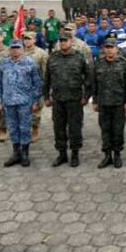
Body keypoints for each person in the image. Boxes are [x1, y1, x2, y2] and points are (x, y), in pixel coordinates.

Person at [43, 32, 92, 167]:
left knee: (75, 127)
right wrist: (46, 96)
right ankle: (62, 154)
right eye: (61, 41)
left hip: (74, 99)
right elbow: (47, 78)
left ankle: (75, 153)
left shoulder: (79, 57)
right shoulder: (53, 57)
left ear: (71, 41)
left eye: (65, 40)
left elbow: (89, 77)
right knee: (58, 127)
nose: (63, 43)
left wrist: (86, 96)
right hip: (58, 99)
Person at [0, 39, 42, 168]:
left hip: (25, 102)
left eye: (17, 47)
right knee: (12, 127)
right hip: (8, 101)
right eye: (13, 48)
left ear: (22, 49)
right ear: (9, 49)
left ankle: (25, 153)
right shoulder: (3, 63)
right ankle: (16, 152)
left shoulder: (30, 62)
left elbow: (37, 83)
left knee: (25, 127)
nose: (15, 50)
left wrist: (35, 101)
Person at [93, 38, 126, 169]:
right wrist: (95, 101)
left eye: (112, 47)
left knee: (117, 130)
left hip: (118, 103)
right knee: (105, 130)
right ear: (104, 49)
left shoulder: (123, 63)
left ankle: (117, 154)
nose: (109, 50)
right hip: (103, 103)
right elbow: (94, 83)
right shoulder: (98, 63)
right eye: (107, 47)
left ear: (116, 49)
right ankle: (107, 155)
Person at [22, 31, 48, 142]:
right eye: (25, 39)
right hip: (22, 87)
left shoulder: (41, 53)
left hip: (36, 87)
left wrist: (45, 88)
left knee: (35, 112)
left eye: (29, 39)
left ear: (34, 40)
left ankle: (35, 130)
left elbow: (45, 72)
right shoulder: (19, 51)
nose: (27, 41)